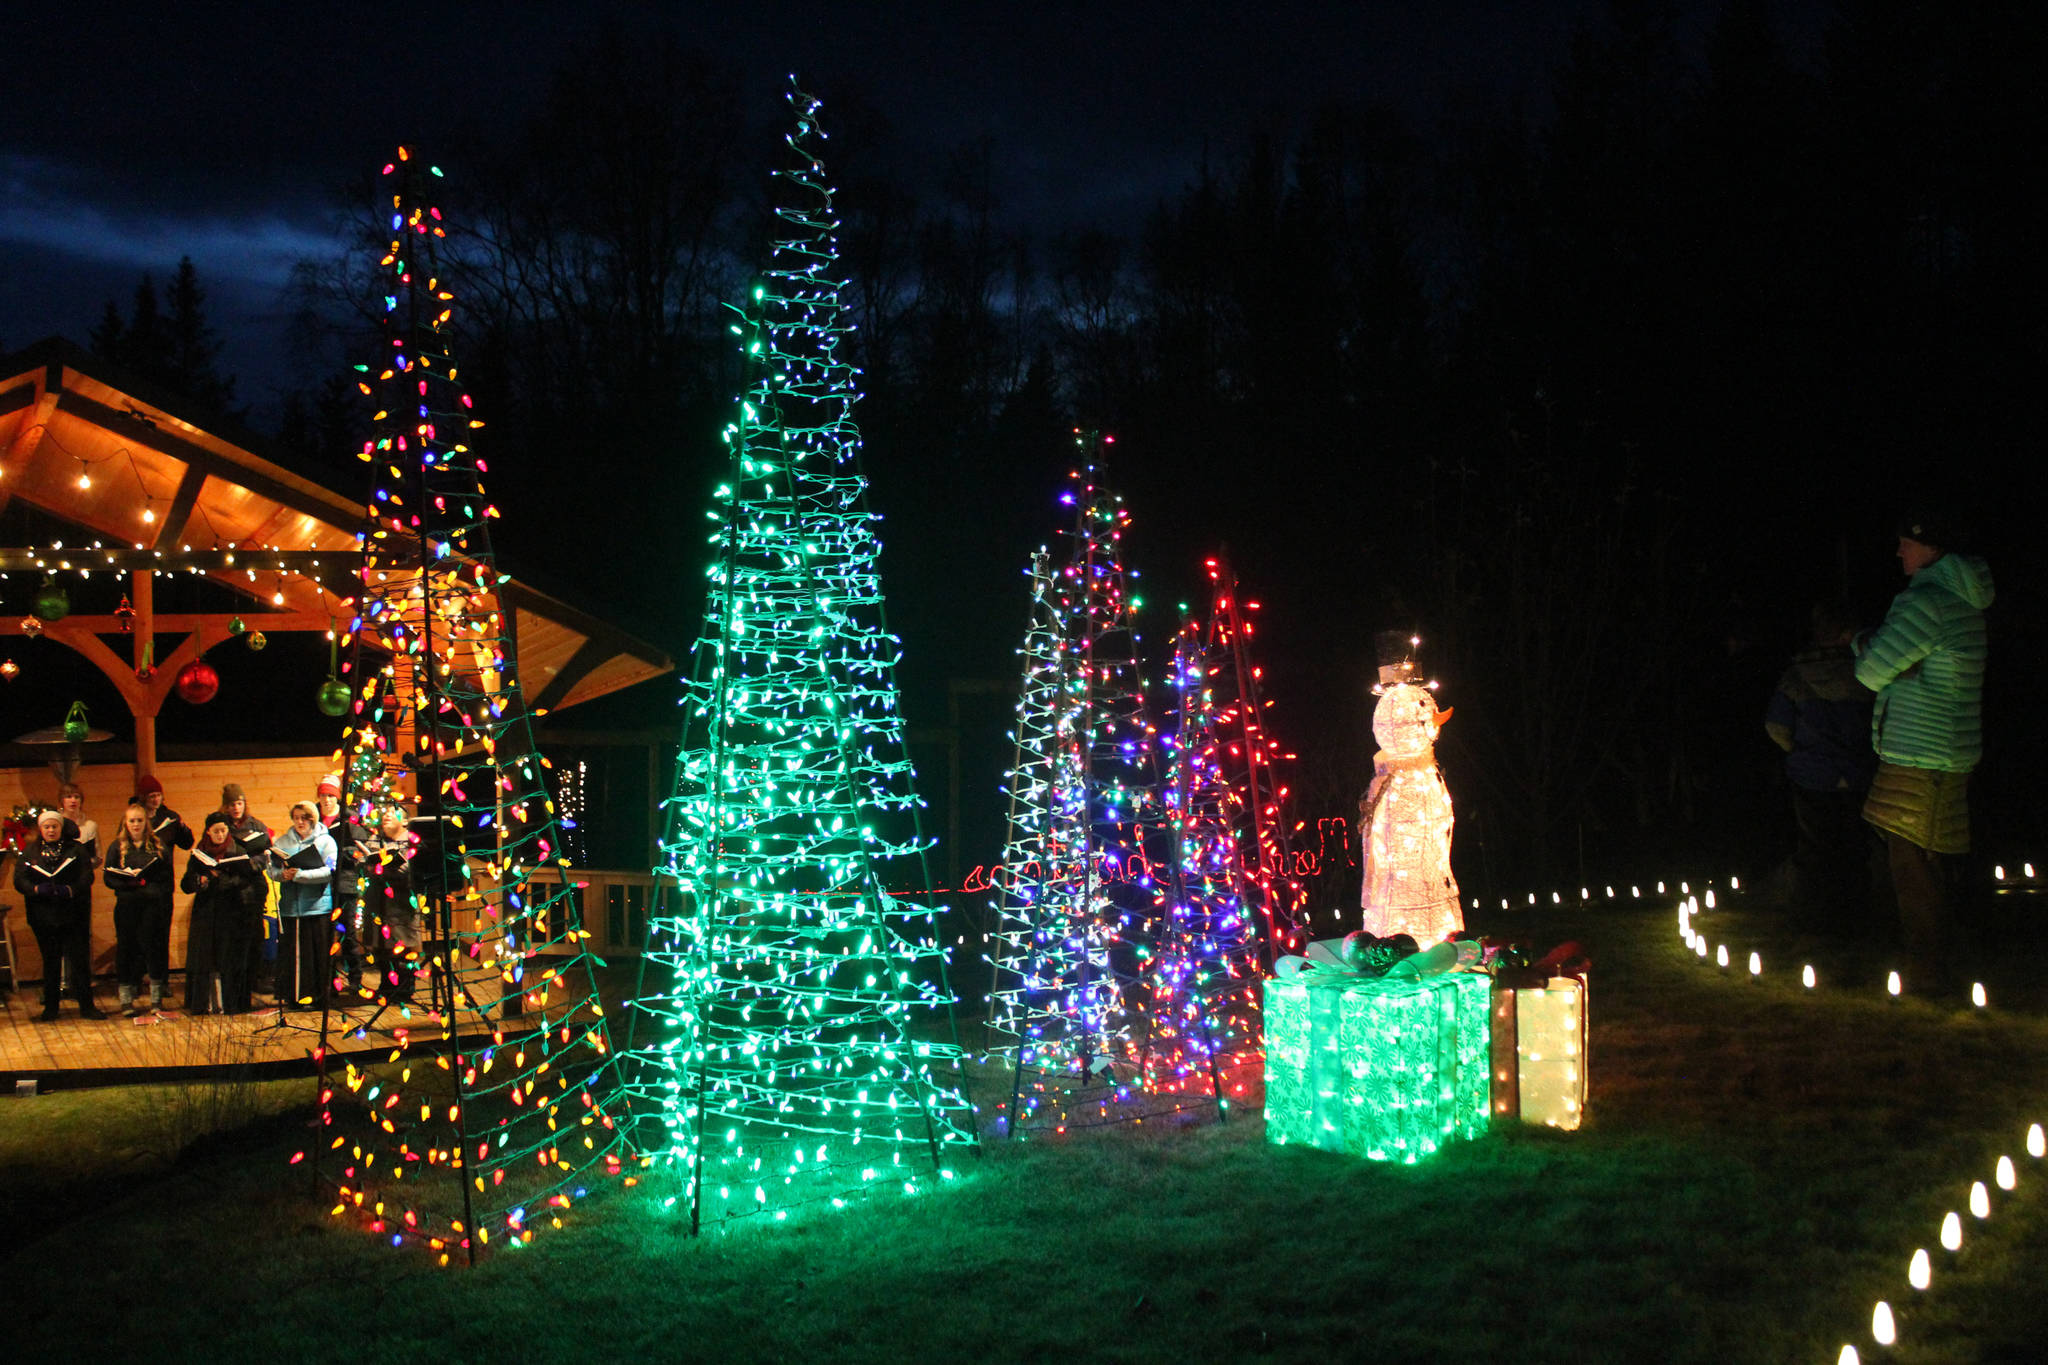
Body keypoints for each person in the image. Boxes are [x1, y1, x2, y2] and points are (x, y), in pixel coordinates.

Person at [1855, 514, 1994, 992]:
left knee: (1915, 871)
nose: (1898, 553)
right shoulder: (1958, 601)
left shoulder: (1927, 603)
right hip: (1938, 752)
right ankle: (1929, 969)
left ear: (1929, 546)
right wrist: (1900, 666)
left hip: (1921, 754)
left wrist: (1862, 644)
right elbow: (1893, 665)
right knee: (1924, 866)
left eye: (1904, 544)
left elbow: (1871, 672)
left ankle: (1928, 980)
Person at [1765, 600, 1877, 930]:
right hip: (1860, 774)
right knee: (1856, 848)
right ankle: (1857, 919)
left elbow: (1776, 725)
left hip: (1812, 778)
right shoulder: (1869, 672)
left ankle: (1815, 920)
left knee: (1816, 848)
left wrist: (1801, 753)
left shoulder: (1796, 676)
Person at [13, 809, 101, 1020]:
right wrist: (35, 889)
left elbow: (86, 876)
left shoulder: (75, 850)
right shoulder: (30, 852)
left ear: (61, 828)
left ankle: (87, 1006)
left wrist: (70, 889)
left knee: (79, 961)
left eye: (54, 826)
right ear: (40, 829)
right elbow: (19, 879)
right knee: (51, 961)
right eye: (47, 827)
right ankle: (51, 1008)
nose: (51, 830)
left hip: (73, 914)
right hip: (44, 915)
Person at [182, 813, 265, 1015]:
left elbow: (253, 881)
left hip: (232, 912)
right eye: (216, 831)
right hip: (207, 914)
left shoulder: (238, 849)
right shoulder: (199, 853)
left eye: (224, 830)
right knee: (206, 958)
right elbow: (186, 884)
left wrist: (224, 880)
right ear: (208, 831)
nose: (220, 835)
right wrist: (200, 881)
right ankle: (206, 1004)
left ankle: (232, 1003)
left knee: (231, 958)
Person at [105, 802, 174, 1016]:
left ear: (146, 823)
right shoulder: (116, 847)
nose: (135, 825)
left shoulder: (158, 845)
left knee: (153, 950)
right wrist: (128, 883)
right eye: (132, 821)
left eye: (139, 821)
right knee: (126, 949)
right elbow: (108, 877)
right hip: (127, 906)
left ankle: (156, 1000)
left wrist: (147, 887)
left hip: (151, 907)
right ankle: (126, 1001)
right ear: (126, 823)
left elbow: (166, 879)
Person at [268, 800, 338, 1009]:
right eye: (296, 818)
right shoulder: (282, 842)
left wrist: (300, 875)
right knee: (292, 956)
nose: (299, 822)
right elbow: (272, 871)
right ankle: (293, 997)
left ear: (312, 819)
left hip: (317, 907)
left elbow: (330, 871)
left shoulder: (326, 842)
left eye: (304, 818)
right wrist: (283, 875)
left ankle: (318, 998)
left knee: (315, 956)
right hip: (291, 908)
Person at [135, 774, 193, 1002]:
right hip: (140, 884)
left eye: (158, 795)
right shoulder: (135, 817)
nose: (155, 800)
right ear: (143, 798)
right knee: (141, 934)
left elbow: (186, 843)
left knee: (161, 934)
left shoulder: (169, 817)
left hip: (163, 883)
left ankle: (162, 981)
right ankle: (139, 978)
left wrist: (183, 829)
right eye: (151, 796)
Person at [217, 782, 275, 994]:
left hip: (254, 885)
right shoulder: (222, 825)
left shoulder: (256, 825)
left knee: (255, 934)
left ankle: (256, 977)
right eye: (231, 804)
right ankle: (236, 979)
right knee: (234, 936)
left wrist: (252, 864)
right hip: (231, 887)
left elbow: (266, 851)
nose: (236, 808)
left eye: (239, 803)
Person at [362, 807, 421, 1004]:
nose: (386, 815)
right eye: (384, 813)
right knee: (381, 949)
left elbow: (407, 870)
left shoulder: (412, 841)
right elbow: (364, 864)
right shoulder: (374, 840)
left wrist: (379, 870)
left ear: (405, 822)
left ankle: (404, 990)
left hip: (401, 905)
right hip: (377, 904)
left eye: (392, 813)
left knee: (402, 948)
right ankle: (386, 987)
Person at [317, 774, 368, 997]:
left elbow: (359, 851)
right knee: (326, 935)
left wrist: (341, 855)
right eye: (323, 796)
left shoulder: (349, 820)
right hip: (320, 885)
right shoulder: (314, 820)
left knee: (348, 934)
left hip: (345, 884)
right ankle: (330, 981)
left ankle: (355, 980)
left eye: (330, 796)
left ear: (337, 798)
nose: (327, 800)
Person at [56, 781, 100, 867]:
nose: (73, 800)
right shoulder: (55, 825)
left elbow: (97, 857)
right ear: (62, 800)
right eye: (68, 797)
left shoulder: (90, 826)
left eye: (77, 797)